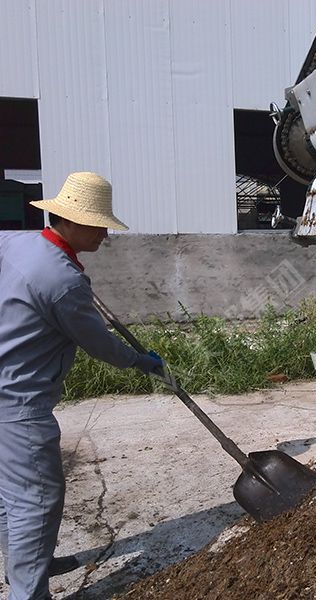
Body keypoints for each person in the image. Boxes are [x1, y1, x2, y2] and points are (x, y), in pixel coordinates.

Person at [0, 172, 164, 600]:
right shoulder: (63, 281)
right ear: (68, 220)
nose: (105, 235)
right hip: (16, 404)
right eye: (98, 225)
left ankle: (28, 563)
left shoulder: (15, 242)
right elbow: (101, 346)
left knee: (9, 496)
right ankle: (28, 591)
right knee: (36, 502)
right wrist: (140, 360)